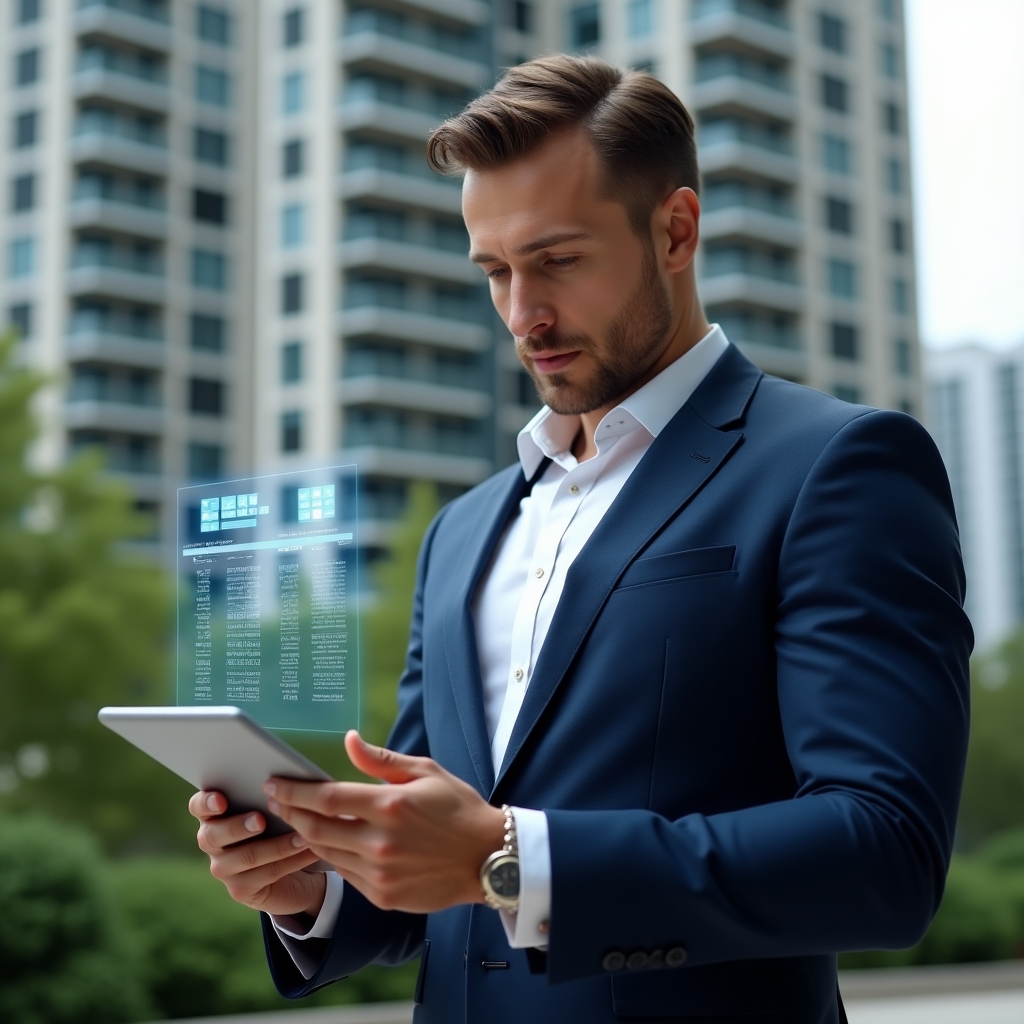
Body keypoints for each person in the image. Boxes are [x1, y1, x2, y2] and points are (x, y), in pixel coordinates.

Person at [189, 55, 972, 1024]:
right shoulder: (464, 529)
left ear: (674, 229)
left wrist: (503, 857)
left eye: (557, 259)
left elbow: (883, 853)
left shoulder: (837, 464)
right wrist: (317, 885)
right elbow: (437, 865)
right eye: (494, 271)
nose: (524, 315)